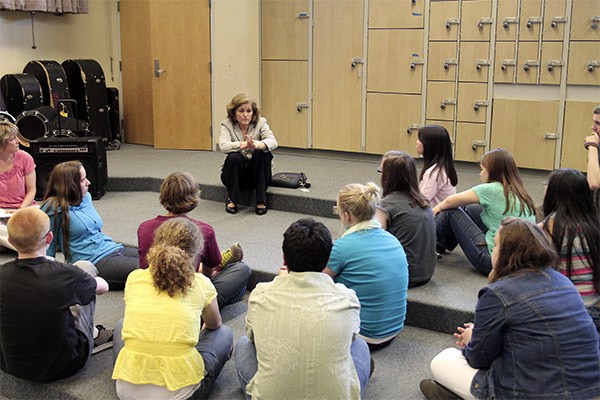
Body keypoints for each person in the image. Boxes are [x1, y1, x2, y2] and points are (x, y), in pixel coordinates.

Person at [420, 218, 600, 399]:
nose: (492, 250)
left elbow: (478, 358)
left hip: (533, 392)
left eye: (496, 245)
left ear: (507, 253)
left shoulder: (496, 294)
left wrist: (471, 339)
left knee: (443, 360)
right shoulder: (563, 281)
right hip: (591, 388)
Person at [235, 218, 371, 399]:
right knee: (360, 345)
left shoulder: (260, 294)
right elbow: (352, 338)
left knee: (244, 343)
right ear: (327, 259)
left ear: (284, 258)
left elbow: (253, 339)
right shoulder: (348, 298)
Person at [112, 218, 233, 400]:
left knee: (122, 325)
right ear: (196, 253)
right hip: (180, 395)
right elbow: (215, 324)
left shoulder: (134, 277)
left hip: (125, 393)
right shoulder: (200, 283)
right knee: (224, 333)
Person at [0, 208, 113, 382]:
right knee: (85, 266)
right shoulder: (66, 274)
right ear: (49, 238)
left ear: (10, 241)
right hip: (65, 366)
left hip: (10, 365)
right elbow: (103, 287)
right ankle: (93, 334)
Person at [137, 172, 251, 309]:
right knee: (241, 270)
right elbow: (207, 276)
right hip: (186, 293)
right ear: (193, 197)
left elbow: (144, 266)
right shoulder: (204, 230)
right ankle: (213, 303)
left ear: (163, 195)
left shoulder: (144, 227)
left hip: (152, 290)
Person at [324, 182, 408, 348]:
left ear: (347, 215)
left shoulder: (343, 247)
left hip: (364, 334)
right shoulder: (392, 240)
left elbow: (317, 279)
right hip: (394, 329)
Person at [433, 148, 536, 275]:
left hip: (491, 260)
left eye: (482, 169)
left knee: (451, 212)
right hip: (517, 260)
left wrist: (436, 209)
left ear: (492, 171)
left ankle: (424, 244)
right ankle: (441, 244)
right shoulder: (520, 191)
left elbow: (449, 202)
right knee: (469, 208)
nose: (480, 174)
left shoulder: (491, 189)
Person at [41, 160, 138, 290]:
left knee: (157, 257)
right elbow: (48, 248)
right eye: (83, 180)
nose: (88, 182)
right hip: (93, 261)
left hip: (111, 247)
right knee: (150, 269)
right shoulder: (53, 208)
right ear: (70, 185)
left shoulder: (85, 197)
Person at [540, 168, 600, 330]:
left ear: (555, 193)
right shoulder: (594, 224)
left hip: (571, 310)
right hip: (596, 307)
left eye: (547, 185)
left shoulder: (551, 225)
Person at [375, 150, 436, 287]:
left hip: (404, 276)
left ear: (387, 176)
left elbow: (373, 242)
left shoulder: (386, 205)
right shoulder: (423, 201)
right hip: (426, 273)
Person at [219, 93, 278, 215]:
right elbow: (223, 146)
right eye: (241, 111)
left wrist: (256, 145)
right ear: (234, 113)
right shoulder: (227, 124)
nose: (245, 115)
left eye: (249, 111)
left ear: (253, 112)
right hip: (236, 176)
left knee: (262, 153)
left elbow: (273, 141)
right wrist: (244, 145)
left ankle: (261, 200)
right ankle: (232, 200)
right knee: (234, 157)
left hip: (257, 175)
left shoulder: (261, 122)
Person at [0, 121, 36, 250]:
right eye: (13, 139)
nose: (18, 141)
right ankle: (28, 247)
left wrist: (20, 210)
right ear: (2, 143)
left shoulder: (25, 157)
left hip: (24, 208)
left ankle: (14, 243)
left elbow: (32, 190)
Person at [416, 125, 458, 207]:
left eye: (420, 139)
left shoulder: (433, 173)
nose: (416, 142)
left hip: (436, 217)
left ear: (429, 144)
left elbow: (420, 202)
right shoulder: (442, 168)